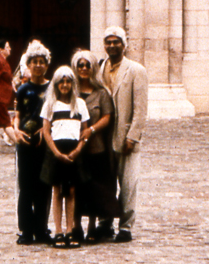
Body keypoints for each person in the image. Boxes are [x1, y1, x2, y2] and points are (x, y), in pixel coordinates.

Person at [98, 27, 148, 243]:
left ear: (124, 44)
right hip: (104, 137)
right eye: (108, 42)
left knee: (128, 184)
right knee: (105, 181)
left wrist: (132, 136)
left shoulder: (136, 70)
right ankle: (105, 221)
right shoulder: (100, 69)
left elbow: (140, 108)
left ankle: (126, 226)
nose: (112, 46)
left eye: (116, 42)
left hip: (125, 136)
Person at [40, 66, 90, 249]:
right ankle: (58, 231)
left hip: (73, 150)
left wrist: (78, 149)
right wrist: (56, 153)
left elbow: (85, 130)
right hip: (57, 151)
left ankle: (70, 230)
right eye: (61, 81)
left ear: (72, 84)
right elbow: (46, 131)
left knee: (71, 192)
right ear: (56, 84)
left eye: (68, 81)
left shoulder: (80, 104)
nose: (65, 85)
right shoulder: (50, 105)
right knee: (57, 191)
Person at [71, 49, 116, 245]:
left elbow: (107, 116)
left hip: (96, 148)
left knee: (95, 187)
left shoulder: (101, 93)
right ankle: (75, 225)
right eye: (80, 65)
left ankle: (92, 226)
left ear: (93, 68)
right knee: (76, 187)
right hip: (74, 148)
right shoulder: (68, 90)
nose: (83, 69)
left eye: (87, 65)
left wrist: (92, 130)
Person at [12, 42, 52, 245]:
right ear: (28, 64)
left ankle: (41, 228)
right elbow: (18, 114)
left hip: (44, 143)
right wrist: (17, 131)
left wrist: (43, 133)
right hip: (26, 143)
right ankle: (26, 230)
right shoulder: (23, 88)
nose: (38, 65)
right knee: (26, 188)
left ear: (47, 65)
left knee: (43, 187)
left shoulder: (52, 88)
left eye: (41, 62)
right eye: (34, 62)